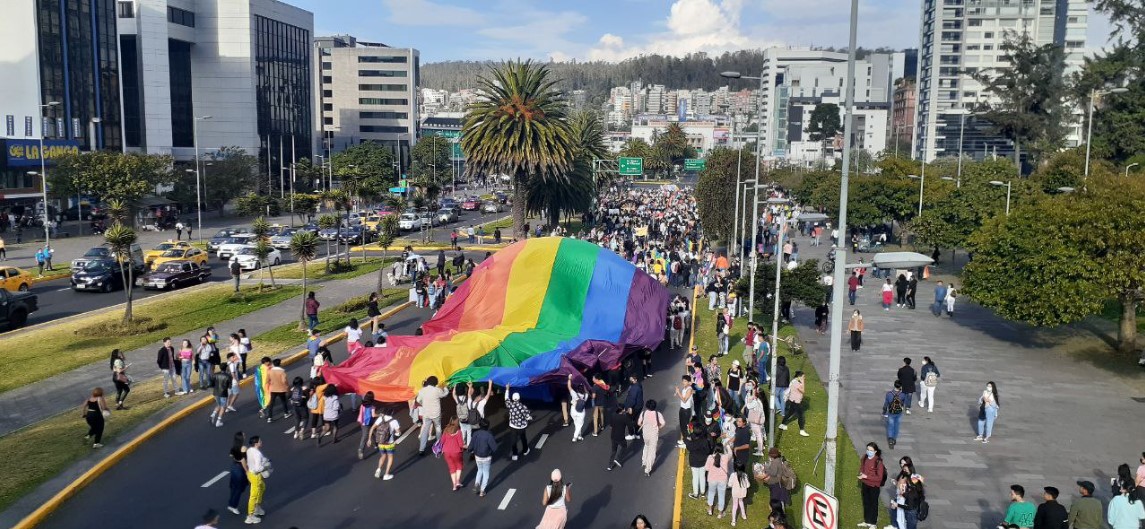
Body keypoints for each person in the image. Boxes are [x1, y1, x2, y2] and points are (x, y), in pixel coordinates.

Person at [415, 376, 448, 456]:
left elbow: (418, 400)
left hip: (426, 413)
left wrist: (424, 404)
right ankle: (438, 445)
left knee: (425, 430)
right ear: (435, 382)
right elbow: (444, 394)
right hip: (436, 413)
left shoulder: (422, 390)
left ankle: (421, 449)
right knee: (438, 428)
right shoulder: (437, 390)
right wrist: (446, 388)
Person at [858, 442, 886, 528]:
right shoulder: (865, 457)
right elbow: (862, 467)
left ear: (875, 451)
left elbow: (879, 478)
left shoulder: (878, 462)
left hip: (874, 486)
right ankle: (867, 521)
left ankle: (873, 523)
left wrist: (866, 476)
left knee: (873, 504)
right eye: (868, 449)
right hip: (865, 484)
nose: (869, 451)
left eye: (871, 450)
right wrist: (861, 473)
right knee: (866, 503)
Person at [367, 409, 401, 480]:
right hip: (389, 443)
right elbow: (398, 432)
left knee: (383, 456)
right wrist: (397, 434)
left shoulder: (380, 419)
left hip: (380, 442)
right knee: (390, 457)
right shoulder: (394, 421)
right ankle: (386, 474)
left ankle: (379, 469)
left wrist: (369, 439)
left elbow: (372, 428)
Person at [469, 418, 498, 496]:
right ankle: (482, 491)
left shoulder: (475, 434)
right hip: (486, 457)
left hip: (477, 456)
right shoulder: (489, 435)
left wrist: (469, 450)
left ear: (479, 425)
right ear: (488, 426)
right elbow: (494, 448)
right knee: (486, 473)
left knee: (479, 470)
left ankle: (477, 483)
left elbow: (470, 446)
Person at [244, 436, 269, 525]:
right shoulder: (258, 454)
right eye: (260, 441)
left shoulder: (249, 450)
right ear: (256, 443)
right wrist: (266, 466)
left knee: (262, 487)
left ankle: (257, 507)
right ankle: (250, 516)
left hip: (250, 474)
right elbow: (258, 468)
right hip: (256, 476)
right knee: (253, 495)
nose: (261, 442)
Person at [505, 384, 533, 461]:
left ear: (513, 398)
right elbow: (527, 416)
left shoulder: (510, 405)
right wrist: (530, 418)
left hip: (513, 426)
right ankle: (525, 450)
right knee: (523, 438)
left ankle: (515, 454)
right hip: (521, 426)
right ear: (519, 398)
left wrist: (507, 389)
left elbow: (506, 398)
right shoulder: (523, 407)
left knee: (513, 440)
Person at [637, 400, 665, 475]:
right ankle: (648, 469)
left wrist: (645, 424)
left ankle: (644, 461)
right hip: (653, 434)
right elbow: (663, 423)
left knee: (646, 445)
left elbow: (639, 423)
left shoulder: (643, 413)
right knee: (652, 451)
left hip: (645, 433)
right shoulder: (657, 414)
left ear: (646, 406)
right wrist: (658, 427)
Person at [777, 371, 809, 437]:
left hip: (793, 400)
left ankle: (782, 424)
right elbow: (803, 391)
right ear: (799, 377)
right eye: (803, 377)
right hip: (796, 401)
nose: (804, 378)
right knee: (801, 415)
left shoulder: (794, 381)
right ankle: (802, 430)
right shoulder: (796, 383)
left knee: (790, 413)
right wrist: (803, 382)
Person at [704, 444, 731, 517]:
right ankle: (720, 513)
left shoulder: (710, 457)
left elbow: (706, 468)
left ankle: (710, 510)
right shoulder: (725, 457)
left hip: (712, 479)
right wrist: (728, 446)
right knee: (721, 496)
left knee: (711, 493)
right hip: (723, 480)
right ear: (722, 449)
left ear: (714, 449)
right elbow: (730, 454)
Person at [440, 417, 466, 491]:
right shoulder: (458, 432)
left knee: (452, 468)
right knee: (459, 466)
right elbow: (461, 444)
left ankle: (454, 485)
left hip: (446, 452)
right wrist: (467, 446)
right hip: (456, 452)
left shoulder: (446, 430)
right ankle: (457, 481)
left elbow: (442, 441)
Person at [227, 432, 249, 516]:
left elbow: (230, 455)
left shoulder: (234, 447)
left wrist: (237, 458)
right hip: (240, 469)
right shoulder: (243, 448)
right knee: (239, 489)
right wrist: (246, 471)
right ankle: (234, 506)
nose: (245, 436)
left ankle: (231, 503)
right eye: (243, 435)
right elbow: (243, 461)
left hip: (234, 467)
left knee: (234, 487)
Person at [882, 380, 906, 449]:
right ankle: (894, 438)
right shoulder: (903, 394)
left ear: (894, 385)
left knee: (890, 426)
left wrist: (884, 411)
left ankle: (890, 439)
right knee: (896, 426)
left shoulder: (889, 394)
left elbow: (886, 404)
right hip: (899, 413)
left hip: (891, 412)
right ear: (900, 386)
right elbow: (903, 403)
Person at [355, 392, 378, 460]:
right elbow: (373, 415)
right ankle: (361, 449)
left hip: (363, 422)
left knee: (372, 432)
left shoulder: (362, 405)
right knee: (367, 435)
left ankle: (375, 444)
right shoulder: (372, 407)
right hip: (369, 422)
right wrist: (380, 414)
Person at [728, 462, 750, 526]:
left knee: (735, 505)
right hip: (742, 493)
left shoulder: (733, 475)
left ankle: (733, 521)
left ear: (735, 468)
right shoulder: (745, 475)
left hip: (735, 493)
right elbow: (748, 485)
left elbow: (729, 484)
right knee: (741, 502)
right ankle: (743, 515)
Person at [568, 376, 588, 443]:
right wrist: (585, 382)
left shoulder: (574, 394)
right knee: (580, 424)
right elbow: (586, 390)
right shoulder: (586, 395)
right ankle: (575, 437)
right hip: (581, 412)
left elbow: (569, 386)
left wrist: (569, 378)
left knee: (576, 424)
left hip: (573, 411)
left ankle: (579, 436)